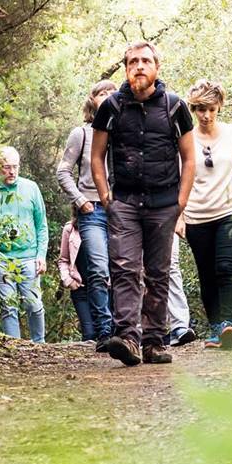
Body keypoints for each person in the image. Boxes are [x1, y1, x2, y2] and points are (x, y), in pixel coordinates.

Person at [91, 41, 195, 366]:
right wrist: (106, 196)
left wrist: (180, 203)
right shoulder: (111, 107)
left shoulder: (175, 107)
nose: (139, 66)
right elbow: (97, 156)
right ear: (125, 68)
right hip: (123, 202)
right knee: (123, 269)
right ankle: (128, 339)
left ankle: (154, 342)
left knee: (159, 273)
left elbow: (190, 158)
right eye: (133, 61)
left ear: (157, 67)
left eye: (145, 61)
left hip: (164, 204)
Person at [180, 79, 232, 350]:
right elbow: (179, 178)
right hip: (196, 215)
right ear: (193, 110)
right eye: (200, 109)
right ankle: (216, 330)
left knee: (227, 268)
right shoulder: (186, 136)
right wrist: (178, 216)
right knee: (207, 274)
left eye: (211, 109)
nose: (206, 115)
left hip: (230, 210)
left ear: (219, 106)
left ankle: (228, 324)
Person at [56, 80, 117, 352]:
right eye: (101, 93)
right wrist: (81, 201)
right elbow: (63, 171)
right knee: (98, 269)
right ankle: (105, 331)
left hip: (120, 209)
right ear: (92, 100)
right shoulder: (81, 133)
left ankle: (124, 330)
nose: (107, 96)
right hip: (92, 209)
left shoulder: (123, 130)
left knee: (124, 271)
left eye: (112, 92)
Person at [0, 146, 48, 343]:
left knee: (33, 304)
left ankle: (40, 345)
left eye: (15, 167)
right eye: (6, 167)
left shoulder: (31, 188)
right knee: (8, 306)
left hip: (29, 257)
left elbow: (41, 224)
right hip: (1, 258)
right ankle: (14, 346)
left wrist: (41, 255)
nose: (11, 172)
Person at [57, 209, 94, 340]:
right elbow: (63, 260)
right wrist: (68, 280)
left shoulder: (108, 225)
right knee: (89, 334)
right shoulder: (70, 229)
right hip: (81, 289)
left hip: (104, 289)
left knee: (107, 333)